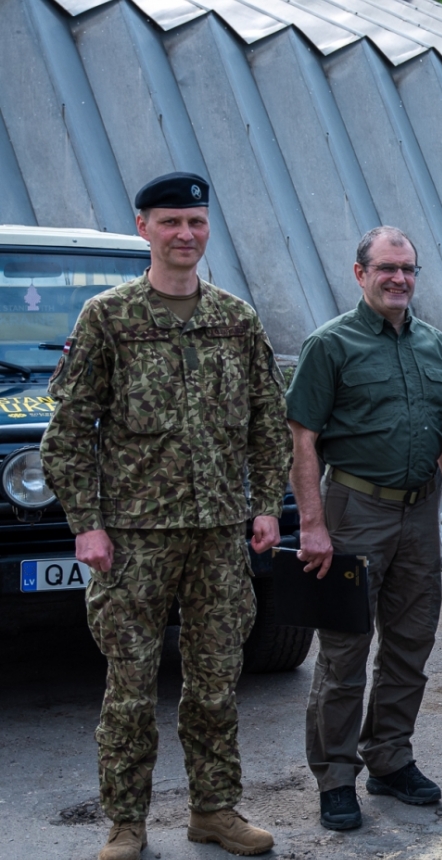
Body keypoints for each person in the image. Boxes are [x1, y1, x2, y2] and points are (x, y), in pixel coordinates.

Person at [40, 172, 289, 860]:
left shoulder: (235, 318)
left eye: (197, 223)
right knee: (129, 691)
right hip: (132, 539)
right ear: (144, 227)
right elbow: (66, 433)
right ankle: (126, 822)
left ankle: (215, 810)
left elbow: (268, 422)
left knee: (214, 684)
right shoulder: (109, 316)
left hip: (217, 536)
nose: (186, 235)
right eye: (172, 222)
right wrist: (86, 523)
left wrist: (266, 507)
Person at [284, 226, 442, 831]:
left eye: (409, 269)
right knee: (344, 652)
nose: (400, 278)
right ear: (360, 272)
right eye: (387, 268)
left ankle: (389, 758)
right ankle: (337, 776)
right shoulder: (330, 345)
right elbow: (304, 440)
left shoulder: (435, 345)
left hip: (420, 513)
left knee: (411, 643)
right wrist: (312, 524)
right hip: (353, 512)